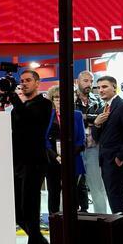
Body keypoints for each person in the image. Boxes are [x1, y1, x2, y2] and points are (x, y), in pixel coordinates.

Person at [6, 70, 54, 244]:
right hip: (17, 162)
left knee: (30, 208)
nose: (24, 83)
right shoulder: (20, 107)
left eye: (28, 80)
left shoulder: (44, 104)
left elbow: (31, 122)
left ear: (37, 83)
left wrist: (14, 98)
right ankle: (39, 241)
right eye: (22, 81)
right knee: (17, 210)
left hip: (34, 162)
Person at [92, 75, 123, 244]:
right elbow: (98, 138)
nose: (101, 90)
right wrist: (96, 124)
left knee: (117, 197)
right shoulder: (101, 109)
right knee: (114, 197)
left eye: (104, 86)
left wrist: (121, 157)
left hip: (118, 160)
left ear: (114, 87)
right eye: (99, 87)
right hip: (106, 160)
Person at [45, 85, 86, 215]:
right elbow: (43, 139)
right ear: (52, 100)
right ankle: (54, 219)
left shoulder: (77, 115)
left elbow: (81, 139)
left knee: (72, 192)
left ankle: (72, 220)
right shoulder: (47, 116)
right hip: (53, 160)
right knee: (53, 192)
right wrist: (56, 156)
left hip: (72, 159)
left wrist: (68, 156)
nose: (59, 100)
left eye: (61, 98)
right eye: (56, 98)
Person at [75, 71, 108, 213]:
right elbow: (70, 118)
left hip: (93, 147)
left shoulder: (97, 100)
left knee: (97, 187)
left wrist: (85, 118)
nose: (89, 84)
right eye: (85, 81)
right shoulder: (69, 99)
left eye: (91, 81)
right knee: (69, 187)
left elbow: (104, 117)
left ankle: (102, 219)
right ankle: (65, 221)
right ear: (77, 82)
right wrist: (93, 119)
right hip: (74, 149)